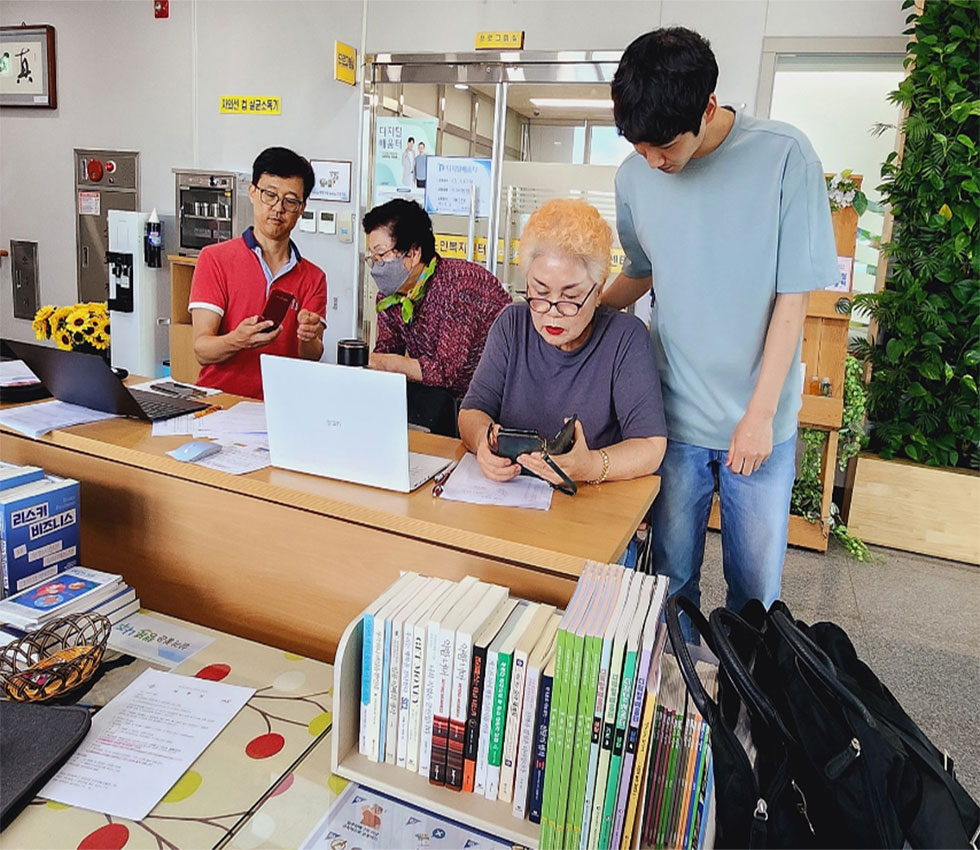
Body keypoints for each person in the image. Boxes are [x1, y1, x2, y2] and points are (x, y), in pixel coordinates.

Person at [602, 28, 838, 622]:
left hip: (759, 421)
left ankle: (744, 707)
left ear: (707, 109)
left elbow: (793, 297)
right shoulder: (635, 176)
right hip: (674, 418)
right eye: (638, 146)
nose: (653, 161)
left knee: (754, 594)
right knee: (669, 583)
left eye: (664, 146)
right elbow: (643, 270)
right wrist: (572, 309)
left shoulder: (786, 156)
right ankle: (674, 709)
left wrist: (758, 417)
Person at [459, 198, 667, 488]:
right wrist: (483, 442)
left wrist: (592, 465)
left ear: (598, 291)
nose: (552, 314)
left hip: (590, 504)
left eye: (570, 298)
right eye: (540, 293)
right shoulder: (512, 324)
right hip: (511, 496)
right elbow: (472, 411)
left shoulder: (625, 339)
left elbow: (650, 446)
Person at [189, 146, 326, 399]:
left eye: (290, 201)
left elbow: (312, 354)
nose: (278, 208)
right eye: (269, 195)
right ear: (252, 192)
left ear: (302, 207)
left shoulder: (314, 277)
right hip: (220, 402)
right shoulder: (214, 259)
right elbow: (202, 350)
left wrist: (308, 336)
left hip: (283, 405)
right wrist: (238, 340)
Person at [366, 199, 510, 399]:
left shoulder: (460, 286)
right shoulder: (391, 296)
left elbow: (445, 372)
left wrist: (386, 363)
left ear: (414, 252)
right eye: (372, 257)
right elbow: (387, 352)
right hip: (441, 400)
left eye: (381, 254)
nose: (376, 265)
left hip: (495, 398)